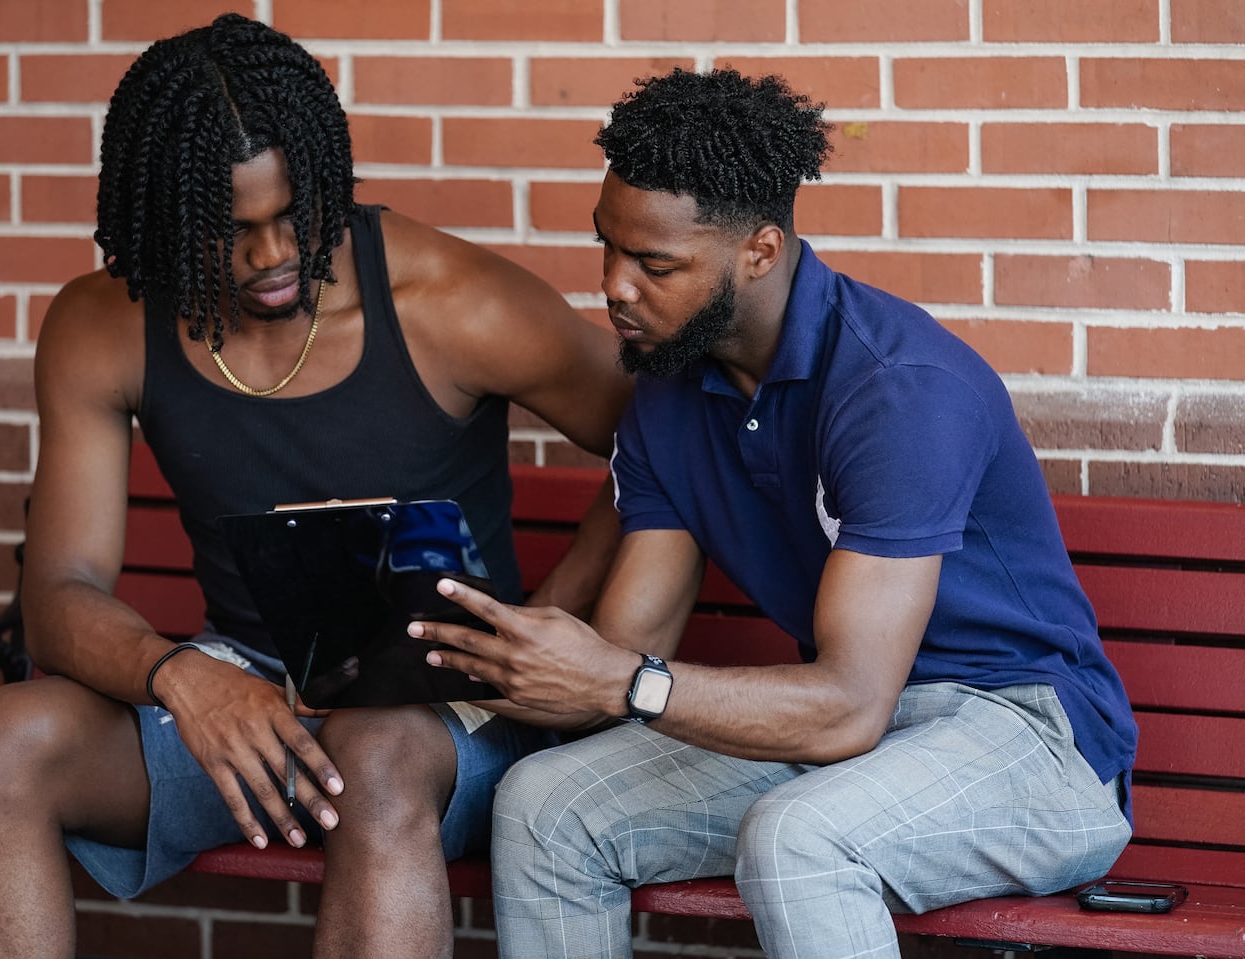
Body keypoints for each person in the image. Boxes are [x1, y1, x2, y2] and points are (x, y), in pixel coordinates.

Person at [0, 14, 631, 959]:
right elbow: (57, 594)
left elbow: (665, 440)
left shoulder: (450, 299)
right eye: (230, 231)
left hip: (445, 716)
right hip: (248, 692)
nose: (271, 257)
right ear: (164, 219)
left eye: (295, 215)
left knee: (373, 755)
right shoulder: (102, 326)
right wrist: (187, 678)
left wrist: (548, 615)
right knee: (2, 741)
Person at [411, 68, 1139, 959]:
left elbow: (846, 705)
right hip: (859, 743)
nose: (614, 287)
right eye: (606, 247)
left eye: (655, 264)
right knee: (546, 806)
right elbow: (627, 646)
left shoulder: (897, 388)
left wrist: (621, 681)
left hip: (1029, 738)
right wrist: (478, 662)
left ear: (760, 250)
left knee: (798, 840)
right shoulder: (669, 394)